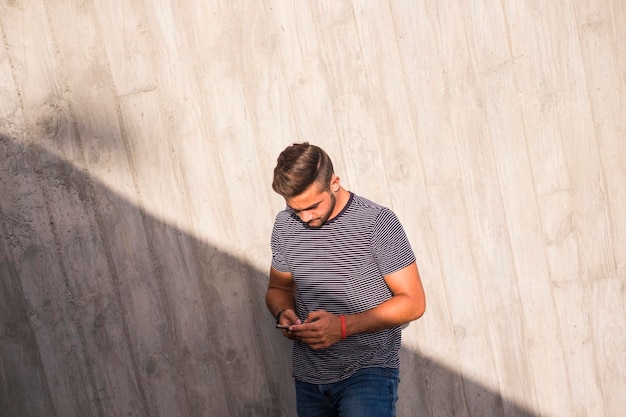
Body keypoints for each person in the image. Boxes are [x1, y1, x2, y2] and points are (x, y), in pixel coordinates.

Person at [266, 142, 426, 417]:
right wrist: (284, 313)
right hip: (309, 376)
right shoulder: (284, 225)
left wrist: (341, 327)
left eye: (313, 206)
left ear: (334, 183)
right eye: (296, 209)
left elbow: (413, 303)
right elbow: (278, 287)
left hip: (369, 371)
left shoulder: (377, 222)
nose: (304, 218)